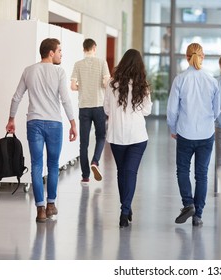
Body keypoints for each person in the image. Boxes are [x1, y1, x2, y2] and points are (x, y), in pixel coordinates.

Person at [6, 38, 78, 223]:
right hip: (54, 123)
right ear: (51, 53)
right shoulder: (59, 72)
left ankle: (40, 210)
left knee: (37, 166)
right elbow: (65, 100)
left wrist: (11, 119)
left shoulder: (29, 71)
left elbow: (16, 97)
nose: (61, 54)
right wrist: (72, 123)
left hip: (34, 123)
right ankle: (51, 204)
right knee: (53, 165)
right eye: (59, 51)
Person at [167, 43, 220, 226]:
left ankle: (188, 203)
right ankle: (198, 215)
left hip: (185, 133)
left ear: (186, 57)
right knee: (202, 174)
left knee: (183, 170)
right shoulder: (212, 80)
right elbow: (217, 110)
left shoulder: (180, 79)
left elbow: (172, 110)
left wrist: (173, 129)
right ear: (202, 56)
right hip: (206, 134)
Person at [104, 49, 152, 228]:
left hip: (117, 136)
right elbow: (147, 111)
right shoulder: (143, 85)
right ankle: (125, 210)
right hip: (137, 136)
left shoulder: (111, 84)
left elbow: (107, 110)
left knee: (121, 172)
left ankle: (125, 206)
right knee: (130, 172)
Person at [71, 38, 111, 185]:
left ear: (84, 49)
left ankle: (85, 175)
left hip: (84, 107)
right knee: (101, 137)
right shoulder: (102, 63)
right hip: (99, 106)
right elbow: (106, 84)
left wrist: (83, 86)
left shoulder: (78, 64)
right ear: (94, 48)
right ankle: (95, 161)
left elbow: (73, 87)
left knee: (84, 143)